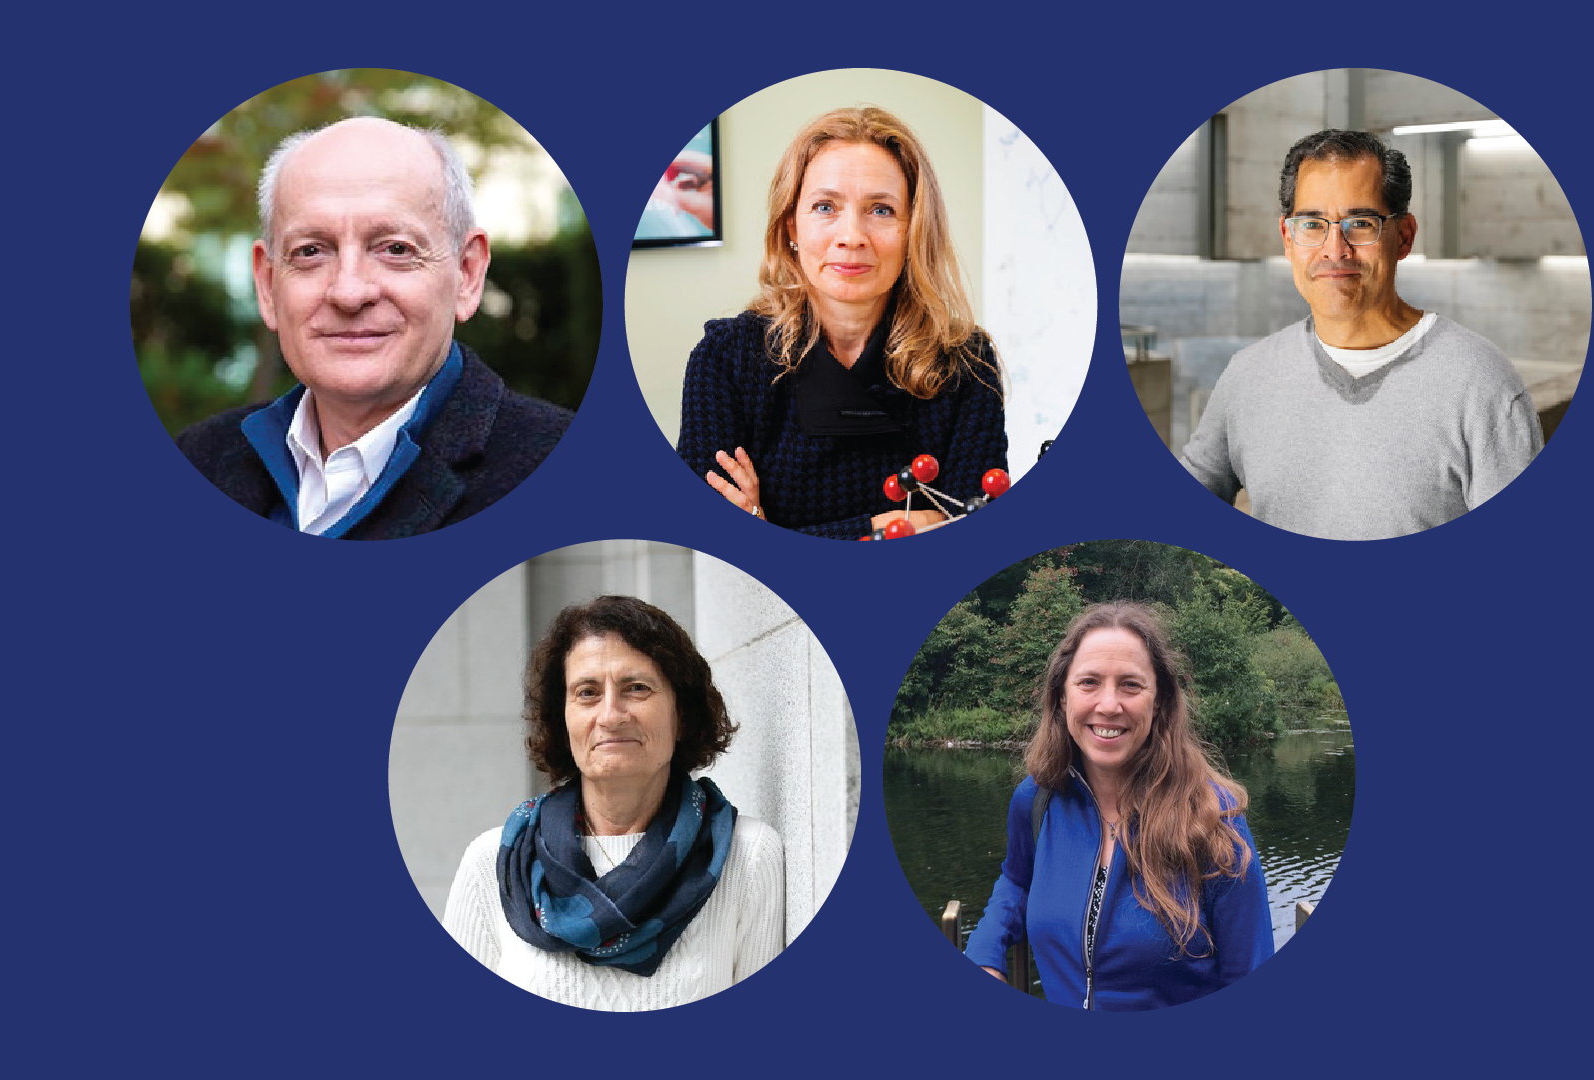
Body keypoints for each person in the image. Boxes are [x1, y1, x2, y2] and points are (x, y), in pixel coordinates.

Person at [176, 117, 572, 539]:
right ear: (268, 286)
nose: (349, 292)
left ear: (467, 274)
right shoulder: (196, 460)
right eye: (311, 251)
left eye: (396, 249)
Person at [1178, 129, 1541, 541]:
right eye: (1313, 224)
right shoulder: (1247, 376)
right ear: (1288, 238)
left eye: (1361, 223)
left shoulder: (1482, 385)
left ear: (1403, 237)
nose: (1336, 249)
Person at [677, 107, 1007, 540]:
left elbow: (974, 533)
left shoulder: (966, 363)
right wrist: (880, 527)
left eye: (882, 210)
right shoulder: (725, 361)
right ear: (791, 223)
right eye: (825, 206)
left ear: (914, 230)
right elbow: (710, 542)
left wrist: (765, 523)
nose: (852, 236)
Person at [443, 596, 784, 1010]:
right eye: (587, 693)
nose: (610, 715)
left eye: (636, 688)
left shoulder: (746, 857)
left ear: (682, 713)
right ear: (562, 718)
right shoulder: (494, 864)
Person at [964, 602, 1273, 1010]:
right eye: (1089, 682)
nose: (1109, 705)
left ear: (1159, 701)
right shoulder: (1037, 798)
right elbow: (1017, 879)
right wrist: (986, 953)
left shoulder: (1215, 819)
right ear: (1061, 698)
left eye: (1130, 685)